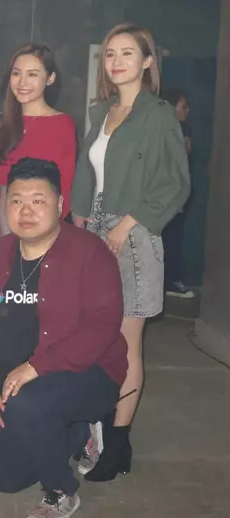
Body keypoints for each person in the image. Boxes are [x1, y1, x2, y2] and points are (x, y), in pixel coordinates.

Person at [0, 158, 127, 518]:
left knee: (29, 404)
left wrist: (36, 367)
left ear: (60, 204)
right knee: (5, 478)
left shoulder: (89, 252)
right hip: (17, 379)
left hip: (87, 372)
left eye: (38, 200)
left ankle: (61, 488)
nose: (26, 211)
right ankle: (78, 432)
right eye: (16, 200)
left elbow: (103, 327)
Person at [70, 23, 190, 482]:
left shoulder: (158, 115)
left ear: (147, 61)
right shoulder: (101, 111)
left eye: (127, 53)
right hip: (94, 233)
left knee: (125, 342)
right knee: (93, 337)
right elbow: (88, 175)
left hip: (134, 234)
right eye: (110, 54)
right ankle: (95, 430)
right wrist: (80, 218)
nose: (116, 61)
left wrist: (126, 223)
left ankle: (118, 445)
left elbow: (176, 183)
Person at [0, 44, 76, 242]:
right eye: (16, 73)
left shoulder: (62, 125)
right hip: (3, 228)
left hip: (43, 228)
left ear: (50, 78)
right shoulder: (0, 127)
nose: (22, 82)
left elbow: (65, 187)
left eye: (32, 74)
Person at [161, 89, 195, 298]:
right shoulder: (162, 131)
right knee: (167, 240)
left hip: (177, 197)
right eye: (183, 106)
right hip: (164, 198)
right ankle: (169, 282)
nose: (187, 110)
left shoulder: (182, 129)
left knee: (174, 238)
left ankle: (170, 281)